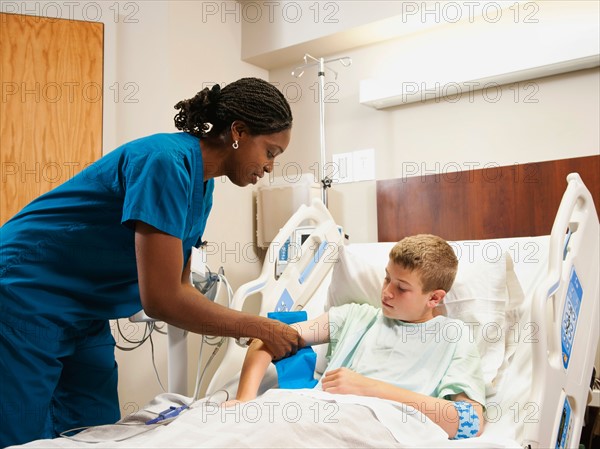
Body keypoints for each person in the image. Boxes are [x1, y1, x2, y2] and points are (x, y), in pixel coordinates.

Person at [0, 77, 304, 447]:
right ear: (238, 132)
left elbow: (180, 287)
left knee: (95, 430)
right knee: (21, 431)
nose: (270, 167)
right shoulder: (165, 161)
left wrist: (257, 327)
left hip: (82, 310)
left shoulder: (202, 188)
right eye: (270, 152)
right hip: (24, 291)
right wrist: (259, 327)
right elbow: (161, 299)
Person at [226, 234, 486, 440]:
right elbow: (269, 338)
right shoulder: (356, 318)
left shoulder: (453, 337)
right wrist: (245, 400)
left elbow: (469, 423)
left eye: (401, 288)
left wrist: (369, 388)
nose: (386, 292)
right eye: (387, 279)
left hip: (383, 428)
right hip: (316, 416)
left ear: (434, 297)